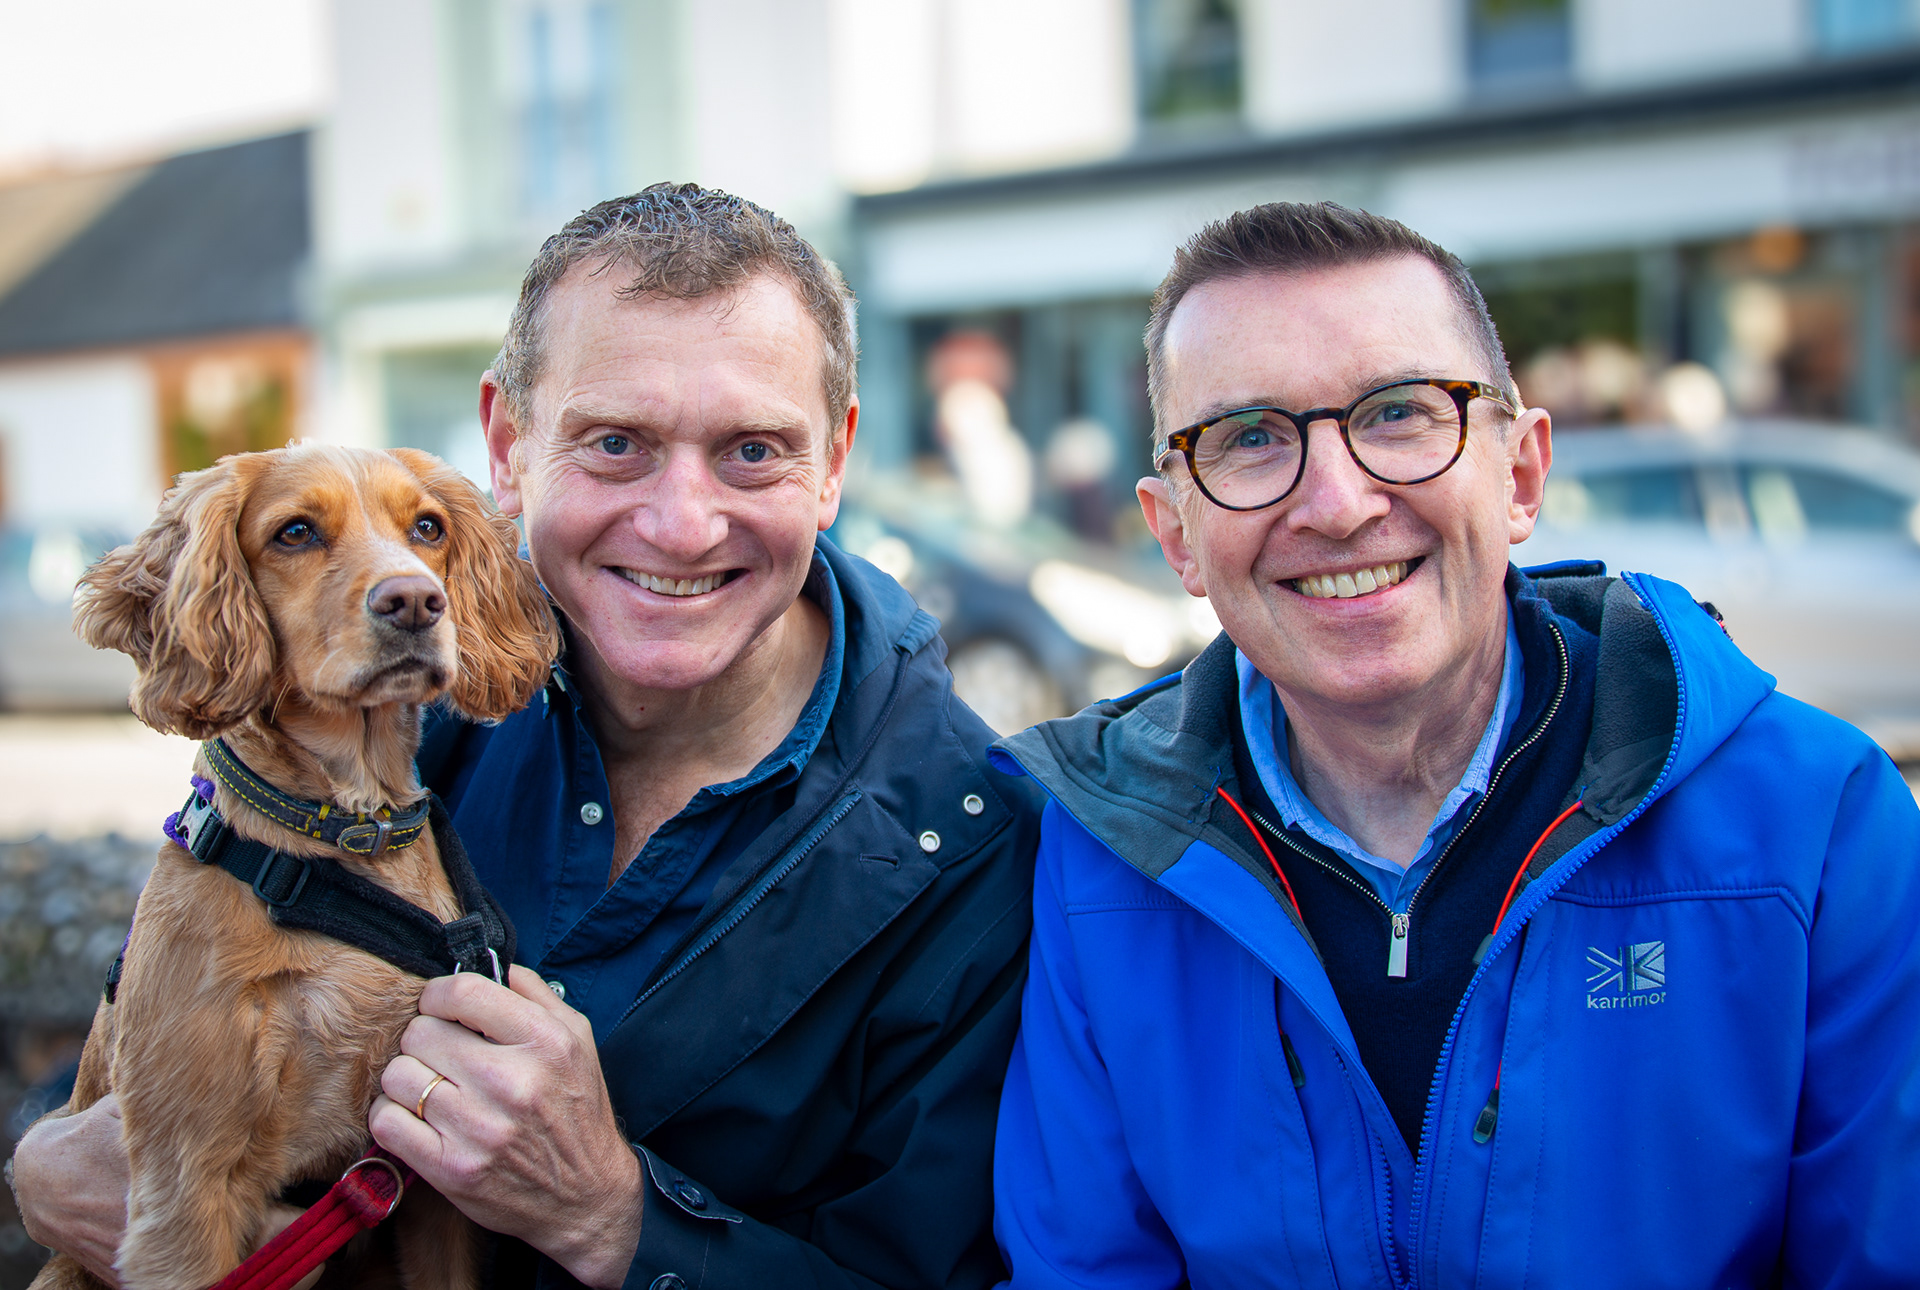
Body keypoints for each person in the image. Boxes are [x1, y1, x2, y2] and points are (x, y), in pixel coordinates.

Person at [11, 183, 1041, 1290]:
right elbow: (161, 1053)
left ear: (833, 460)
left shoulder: (977, 850)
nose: (683, 524)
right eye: (615, 443)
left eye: (751, 451)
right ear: (509, 444)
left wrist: (617, 1220)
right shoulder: (396, 712)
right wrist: (38, 1159)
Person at [988, 202, 1920, 1287]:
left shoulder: (1817, 825)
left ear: (1521, 475)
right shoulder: (1099, 858)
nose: (1336, 504)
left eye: (1398, 413)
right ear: (1175, 533)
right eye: (1248, 438)